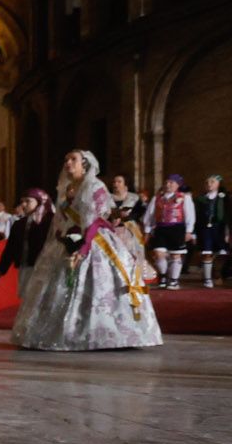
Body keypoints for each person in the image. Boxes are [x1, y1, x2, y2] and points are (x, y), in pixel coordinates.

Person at [11, 149, 163, 351]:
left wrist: (82, 247)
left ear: (85, 164)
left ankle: (104, 333)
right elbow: (61, 219)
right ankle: (59, 332)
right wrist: (60, 237)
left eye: (73, 159)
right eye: (66, 159)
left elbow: (94, 221)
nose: (68, 163)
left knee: (98, 285)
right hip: (69, 240)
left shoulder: (94, 186)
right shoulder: (67, 188)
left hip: (94, 241)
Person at [143, 175, 196, 290]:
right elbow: (150, 215)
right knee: (158, 253)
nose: (168, 185)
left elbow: (190, 215)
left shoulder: (184, 198)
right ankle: (163, 275)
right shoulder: (157, 198)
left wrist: (189, 231)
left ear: (178, 185)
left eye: (171, 183)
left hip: (177, 228)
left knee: (176, 255)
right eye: (166, 182)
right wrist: (147, 231)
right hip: (160, 229)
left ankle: (173, 280)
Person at [0, 188, 53, 288]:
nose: (23, 205)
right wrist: (1, 269)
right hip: (25, 268)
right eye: (22, 202)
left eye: (28, 201)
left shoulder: (50, 221)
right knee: (27, 299)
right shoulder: (19, 224)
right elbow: (10, 248)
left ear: (40, 201)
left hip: (45, 269)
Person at [191, 174, 228, 289]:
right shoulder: (199, 199)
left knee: (222, 253)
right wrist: (193, 232)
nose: (209, 184)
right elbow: (194, 216)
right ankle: (207, 279)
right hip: (205, 229)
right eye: (207, 182)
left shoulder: (224, 198)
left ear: (218, 184)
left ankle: (216, 273)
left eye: (212, 182)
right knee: (206, 253)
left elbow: (228, 215)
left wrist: (228, 231)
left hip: (219, 228)